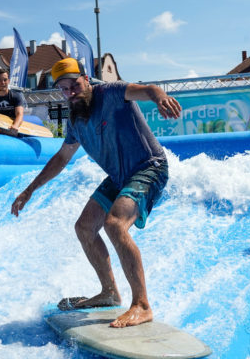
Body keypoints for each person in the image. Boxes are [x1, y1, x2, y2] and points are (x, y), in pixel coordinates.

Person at [10, 57, 182, 328]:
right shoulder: (76, 121)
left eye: (75, 86)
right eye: (64, 90)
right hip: (119, 176)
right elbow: (61, 158)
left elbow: (148, 89)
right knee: (84, 227)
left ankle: (142, 305)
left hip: (149, 167)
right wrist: (29, 190)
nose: (71, 93)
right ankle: (109, 292)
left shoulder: (112, 93)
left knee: (115, 224)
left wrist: (160, 97)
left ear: (86, 80)